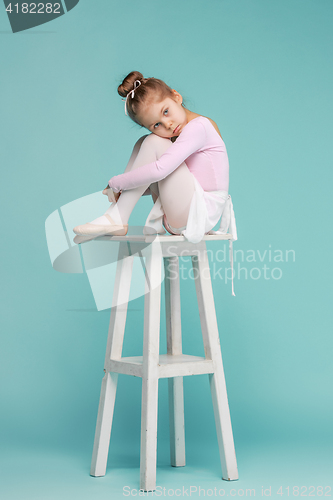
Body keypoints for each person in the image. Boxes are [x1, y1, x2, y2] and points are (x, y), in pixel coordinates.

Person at [73, 71, 237, 248]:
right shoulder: (180, 134)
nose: (167, 125)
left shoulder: (200, 127)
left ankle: (116, 217)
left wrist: (117, 183)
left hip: (199, 213)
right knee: (143, 142)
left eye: (166, 112)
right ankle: (115, 216)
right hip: (182, 213)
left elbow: (160, 170)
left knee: (153, 141)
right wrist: (124, 187)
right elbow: (153, 182)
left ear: (176, 96)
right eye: (156, 125)